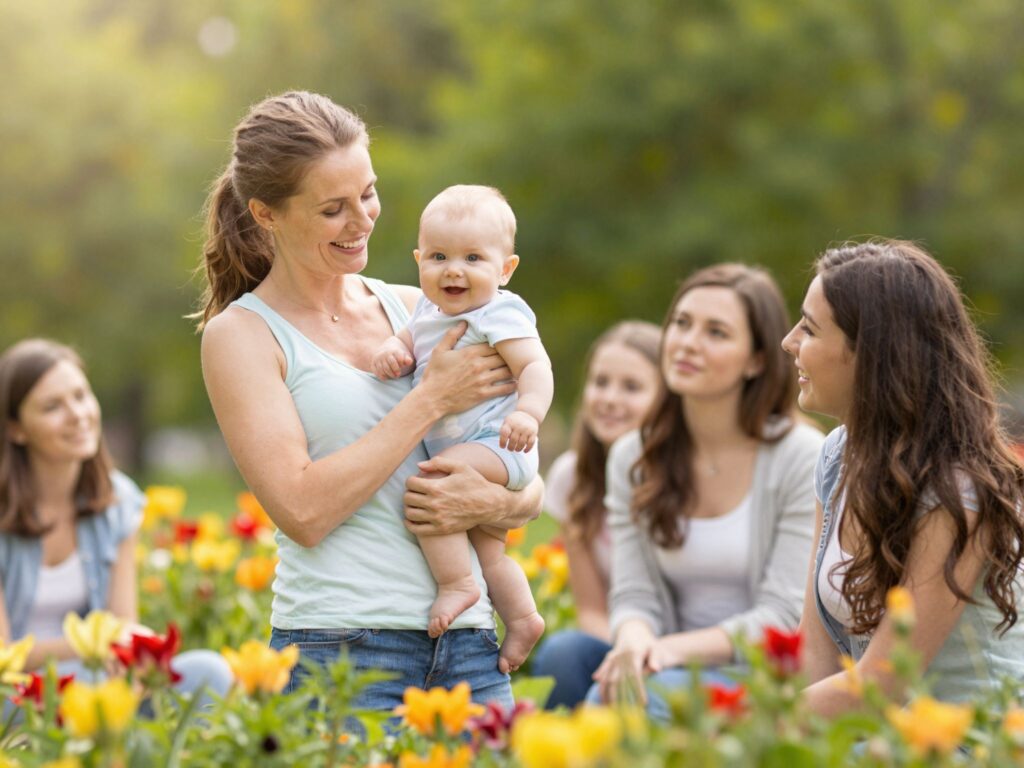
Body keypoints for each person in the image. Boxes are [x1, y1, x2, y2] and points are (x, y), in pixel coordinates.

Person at [197, 91, 543, 711]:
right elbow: (301, 511)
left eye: (368, 193)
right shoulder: (242, 336)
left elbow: (525, 481)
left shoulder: (420, 308)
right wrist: (429, 400)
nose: (363, 220)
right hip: (342, 651)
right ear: (266, 213)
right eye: (333, 209)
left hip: (469, 645)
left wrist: (492, 497)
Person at [781, 239, 1024, 716]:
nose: (789, 341)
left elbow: (883, 683)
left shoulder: (960, 490)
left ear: (870, 353)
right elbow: (817, 656)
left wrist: (741, 723)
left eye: (809, 329)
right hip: (876, 737)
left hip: (972, 744)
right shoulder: (836, 456)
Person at [590, 263, 824, 719]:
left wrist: (667, 651)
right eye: (681, 323)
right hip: (663, 655)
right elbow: (634, 595)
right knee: (567, 656)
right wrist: (636, 639)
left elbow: (783, 615)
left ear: (756, 359)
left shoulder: (802, 456)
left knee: (631, 697)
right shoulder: (632, 457)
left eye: (716, 332)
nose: (688, 342)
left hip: (762, 673)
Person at [371, 185, 550, 673]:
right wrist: (393, 350)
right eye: (438, 256)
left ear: (506, 268)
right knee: (490, 554)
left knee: (431, 487)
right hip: (477, 452)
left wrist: (527, 414)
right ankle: (523, 618)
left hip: (498, 444)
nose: (454, 269)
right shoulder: (425, 311)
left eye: (474, 257)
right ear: (418, 260)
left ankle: (456, 585)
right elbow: (405, 342)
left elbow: (535, 366)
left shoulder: (499, 312)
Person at [0, 338, 232, 698]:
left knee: (209, 673)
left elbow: (124, 624)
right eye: (52, 407)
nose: (78, 414)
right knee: (90, 686)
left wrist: (136, 653)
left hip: (93, 681)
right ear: (15, 428)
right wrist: (98, 645)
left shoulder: (118, 501)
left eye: (80, 395)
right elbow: (4, 655)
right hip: (18, 694)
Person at [531, 320, 661, 708]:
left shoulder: (687, 475)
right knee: (562, 653)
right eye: (600, 382)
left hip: (680, 642)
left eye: (632, 387)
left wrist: (647, 654)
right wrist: (624, 651)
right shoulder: (573, 478)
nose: (609, 398)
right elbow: (591, 610)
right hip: (616, 635)